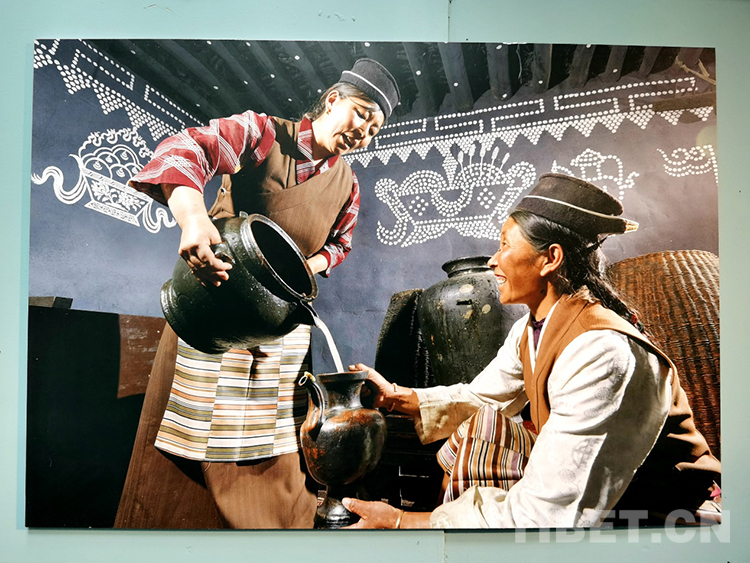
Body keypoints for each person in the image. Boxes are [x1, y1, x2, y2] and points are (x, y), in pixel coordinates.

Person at [343, 173, 721, 529]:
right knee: (483, 428)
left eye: (506, 244)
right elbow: (481, 399)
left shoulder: (603, 352)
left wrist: (405, 521)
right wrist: (394, 396)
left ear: (550, 258)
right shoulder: (532, 328)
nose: (493, 260)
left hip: (659, 515)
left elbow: (549, 513)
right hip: (599, 501)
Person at [115, 58, 400, 529]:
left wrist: (302, 268)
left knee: (271, 448)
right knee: (193, 446)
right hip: (217, 305)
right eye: (362, 114)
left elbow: (340, 245)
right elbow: (187, 149)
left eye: (374, 129)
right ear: (333, 100)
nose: (364, 133)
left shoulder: (347, 184)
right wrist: (193, 219)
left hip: (282, 322)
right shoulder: (264, 133)